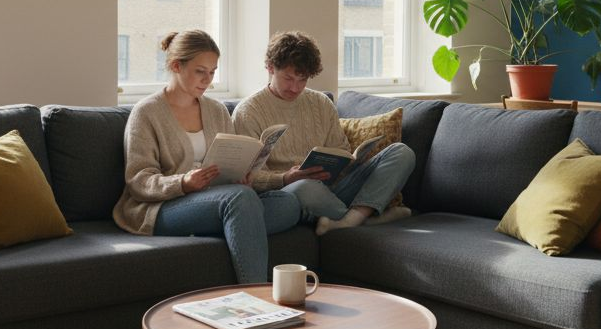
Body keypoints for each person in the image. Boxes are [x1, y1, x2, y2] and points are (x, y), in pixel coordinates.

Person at [113, 30, 300, 283]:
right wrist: (183, 182)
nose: (208, 80)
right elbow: (138, 180)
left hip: (217, 198)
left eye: (212, 72)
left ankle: (235, 224)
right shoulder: (146, 113)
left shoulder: (216, 109)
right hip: (164, 206)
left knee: (288, 203)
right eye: (201, 71)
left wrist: (242, 174)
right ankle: (258, 293)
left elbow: (231, 159)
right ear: (176, 65)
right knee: (241, 201)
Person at [233, 31, 415, 235]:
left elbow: (341, 149)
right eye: (288, 78)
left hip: (334, 186)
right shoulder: (248, 112)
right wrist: (285, 178)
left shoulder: (321, 103)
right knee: (304, 187)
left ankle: (352, 219)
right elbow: (248, 176)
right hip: (292, 193)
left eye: (302, 80)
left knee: (401, 152)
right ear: (270, 68)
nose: (295, 88)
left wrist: (349, 161)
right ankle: (365, 219)